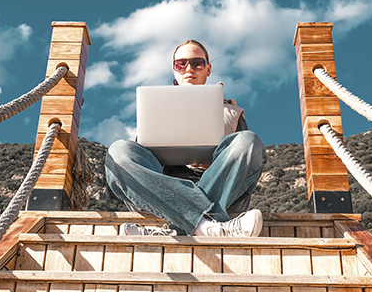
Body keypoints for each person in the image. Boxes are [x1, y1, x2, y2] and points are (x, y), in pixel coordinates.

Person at [105, 40, 267, 237]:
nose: (189, 68)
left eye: (197, 63)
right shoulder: (155, 107)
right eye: (181, 64)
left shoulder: (233, 113)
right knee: (119, 152)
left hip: (220, 188)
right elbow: (140, 164)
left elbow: (244, 162)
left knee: (248, 142)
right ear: (174, 70)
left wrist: (214, 163)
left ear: (208, 69)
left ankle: (180, 228)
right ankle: (208, 227)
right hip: (163, 190)